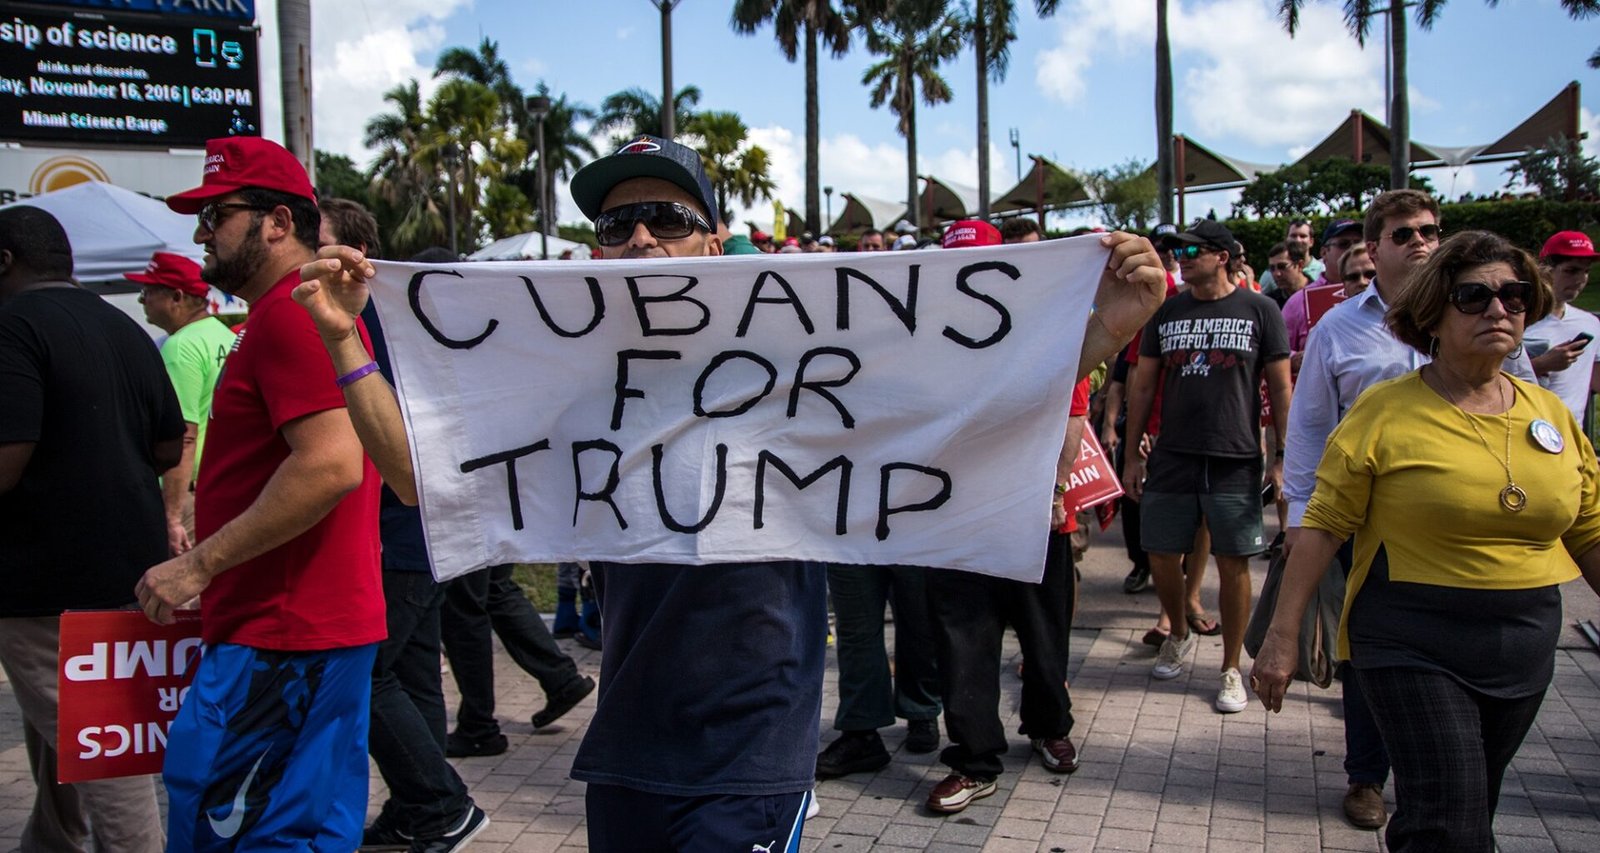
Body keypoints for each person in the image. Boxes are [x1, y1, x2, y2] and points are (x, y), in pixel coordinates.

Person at [294, 134, 1168, 851]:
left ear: (714, 243)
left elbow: (964, 404)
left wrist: (1106, 328)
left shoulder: (797, 364)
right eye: (616, 222)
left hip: (748, 753)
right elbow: (419, 475)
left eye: (666, 219)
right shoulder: (578, 388)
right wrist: (344, 343)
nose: (638, 239)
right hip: (626, 752)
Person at [1254, 230, 1600, 852]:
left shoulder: (1551, 416)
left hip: (1524, 644)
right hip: (1410, 638)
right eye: (1474, 297)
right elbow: (1325, 524)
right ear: (1433, 314)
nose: (1499, 309)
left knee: (1469, 807)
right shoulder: (1385, 412)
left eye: (1515, 296)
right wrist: (1281, 637)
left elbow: (1590, 528)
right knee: (1450, 820)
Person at [132, 137, 397, 852]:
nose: (199, 234)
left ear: (276, 222)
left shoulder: (289, 314)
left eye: (216, 214)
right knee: (301, 831)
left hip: (280, 637)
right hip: (304, 632)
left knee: (244, 831)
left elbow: (331, 463)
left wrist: (196, 566)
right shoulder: (296, 311)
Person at [0, 205, 179, 853]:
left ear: (5, 261)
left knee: (104, 749)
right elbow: (168, 446)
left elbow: (8, 455)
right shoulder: (125, 328)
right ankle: (51, 839)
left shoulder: (14, 326)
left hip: (45, 578)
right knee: (64, 726)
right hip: (128, 569)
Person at [318, 198, 492, 852]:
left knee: (366, 672)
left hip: (406, 536)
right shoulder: (429, 336)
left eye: (326, 240)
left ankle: (439, 801)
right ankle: (421, 805)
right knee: (413, 671)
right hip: (424, 535)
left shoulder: (387, 327)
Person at [1280, 188, 1441, 829]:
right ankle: (1367, 777)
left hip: (1452, 523)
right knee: (1369, 651)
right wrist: (1299, 522)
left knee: (1439, 649)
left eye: (1430, 230)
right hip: (1364, 524)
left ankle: (1435, 774)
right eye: (1404, 234)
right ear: (1373, 248)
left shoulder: (1475, 311)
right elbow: (1311, 428)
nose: (1421, 242)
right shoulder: (1338, 328)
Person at [921, 219, 1085, 814]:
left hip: (1037, 516)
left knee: (1043, 641)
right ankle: (974, 759)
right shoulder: (924, 340)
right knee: (964, 643)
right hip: (957, 518)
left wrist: (1055, 487)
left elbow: (1071, 417)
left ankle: (1049, 725)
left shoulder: (1048, 330)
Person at [1121, 219, 1292, 714]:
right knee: (1159, 553)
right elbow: (1143, 385)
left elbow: (1280, 389)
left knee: (1233, 563)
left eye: (1193, 249)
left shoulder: (1261, 310)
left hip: (1235, 456)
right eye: (1178, 250)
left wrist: (1282, 456)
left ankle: (1231, 667)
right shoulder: (1165, 309)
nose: (1183, 256)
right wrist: (1131, 455)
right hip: (1173, 455)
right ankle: (1177, 630)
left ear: (1223, 255)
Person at [129, 251, 236, 554]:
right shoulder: (226, 336)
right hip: (220, 486)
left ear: (176, 296)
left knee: (181, 594)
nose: (142, 300)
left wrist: (172, 517)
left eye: (148, 291)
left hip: (186, 494)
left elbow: (183, 435)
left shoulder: (180, 346)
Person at [1525, 231, 1600, 420]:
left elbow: (1596, 381)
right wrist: (1543, 364)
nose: (1581, 279)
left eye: (1586, 271)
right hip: (1526, 430)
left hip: (1573, 435)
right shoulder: (1519, 321)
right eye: (1571, 271)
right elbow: (1486, 377)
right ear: (1546, 271)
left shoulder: (1589, 323)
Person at [1260, 218, 1325, 294]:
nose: (1298, 240)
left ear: (1311, 241)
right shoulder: (1269, 274)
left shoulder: (1323, 270)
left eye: (1303, 236)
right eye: (1293, 236)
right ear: (1286, 239)